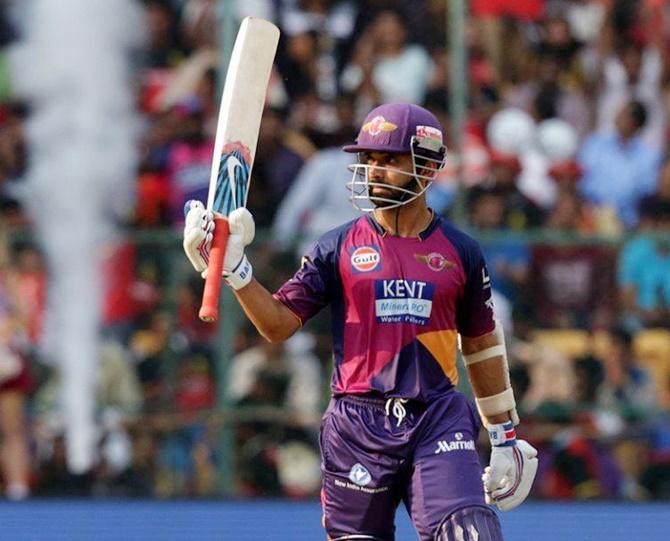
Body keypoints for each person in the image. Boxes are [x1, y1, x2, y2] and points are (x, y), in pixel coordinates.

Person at [183, 103, 538, 540]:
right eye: (368, 159)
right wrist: (238, 272)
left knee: (471, 533)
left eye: (388, 160)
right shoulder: (336, 246)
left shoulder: (460, 250)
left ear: (427, 166)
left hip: (437, 417)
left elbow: (482, 343)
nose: (373, 170)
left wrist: (503, 434)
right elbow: (278, 324)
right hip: (357, 425)